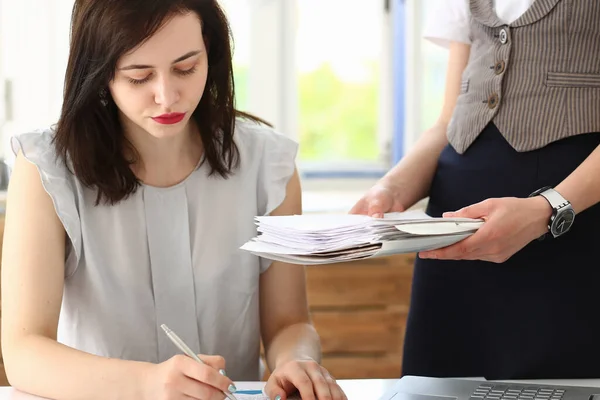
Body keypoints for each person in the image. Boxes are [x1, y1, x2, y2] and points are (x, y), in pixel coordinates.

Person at [0, 1, 347, 400]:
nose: (167, 97)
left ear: (210, 54)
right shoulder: (46, 168)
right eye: (138, 77)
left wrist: (295, 363)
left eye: (186, 68)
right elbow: (24, 352)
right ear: (100, 73)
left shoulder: (267, 164)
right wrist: (146, 384)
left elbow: (288, 322)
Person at [351, 0, 600, 380]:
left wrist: (547, 209)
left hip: (573, 237)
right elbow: (448, 122)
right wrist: (392, 186)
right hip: (453, 251)